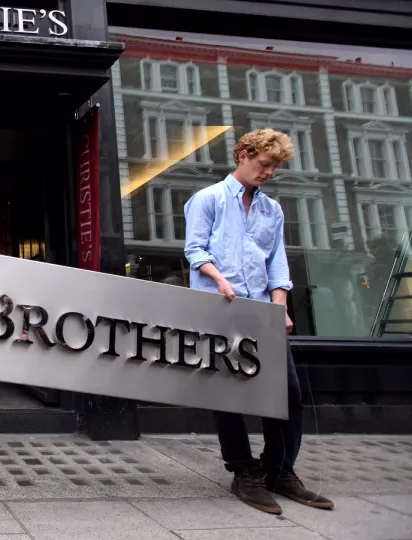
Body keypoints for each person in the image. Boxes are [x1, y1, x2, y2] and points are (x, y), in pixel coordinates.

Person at [183, 128, 334, 515]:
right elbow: (195, 250)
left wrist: (280, 306)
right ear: (244, 155)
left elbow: (277, 263)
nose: (268, 172)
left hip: (263, 311)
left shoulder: (272, 210)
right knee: (228, 395)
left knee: (287, 394)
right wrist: (220, 281)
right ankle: (243, 472)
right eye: (264, 164)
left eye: (274, 167)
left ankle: (279, 470)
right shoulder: (209, 199)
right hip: (220, 309)